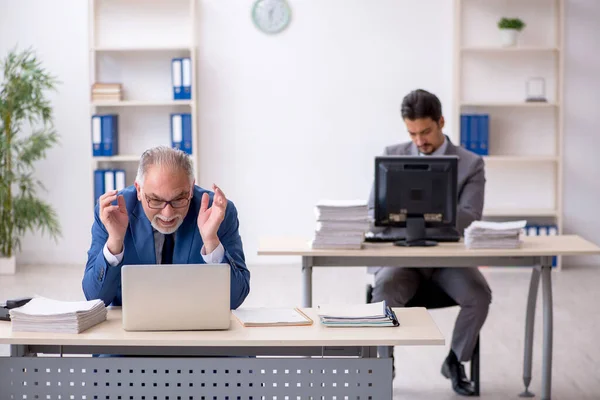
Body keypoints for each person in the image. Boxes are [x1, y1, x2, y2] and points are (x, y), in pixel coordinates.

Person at [368, 89, 492, 397]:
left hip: (448, 259)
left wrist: (416, 216)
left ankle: (454, 361)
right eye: (412, 133)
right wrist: (423, 216)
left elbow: (471, 215)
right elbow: (373, 211)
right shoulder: (393, 154)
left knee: (479, 295)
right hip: (402, 257)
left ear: (441, 122)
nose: (420, 141)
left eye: (426, 132)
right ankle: (385, 364)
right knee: (383, 292)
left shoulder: (471, 163)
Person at [82, 146, 250, 310]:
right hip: (133, 329)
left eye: (179, 199)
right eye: (155, 200)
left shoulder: (217, 211)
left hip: (196, 325)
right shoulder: (113, 211)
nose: (168, 213)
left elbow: (235, 299)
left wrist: (211, 241)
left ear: (191, 189)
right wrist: (115, 242)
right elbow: (95, 298)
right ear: (139, 190)